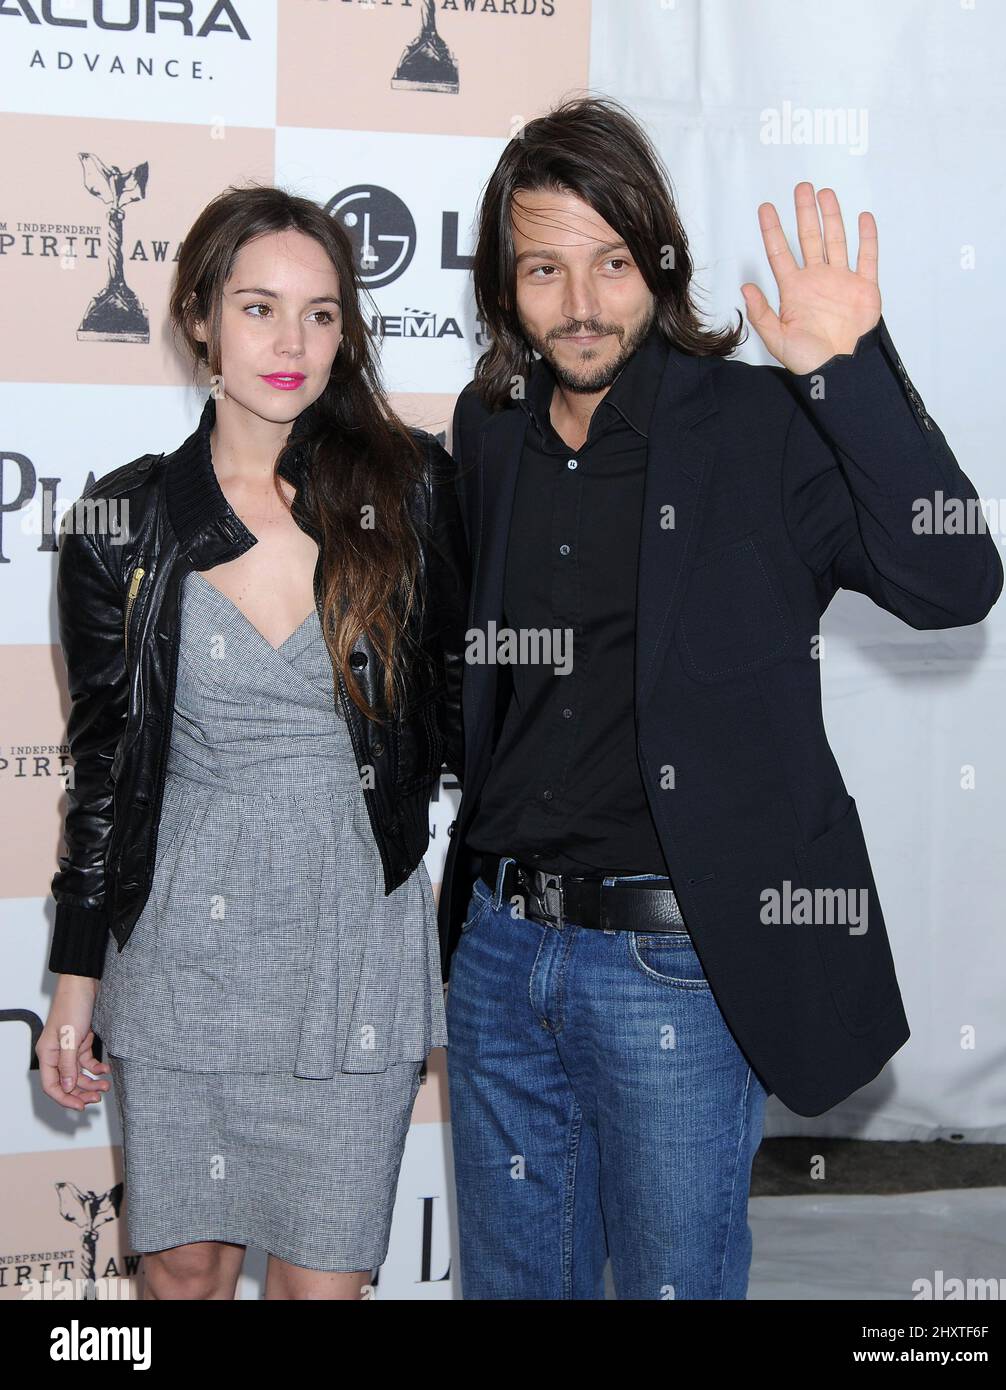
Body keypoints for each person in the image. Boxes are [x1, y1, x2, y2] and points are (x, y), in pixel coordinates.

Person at [439, 95, 1003, 1299]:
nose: (581, 303)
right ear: (503, 284)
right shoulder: (487, 431)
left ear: (661, 259)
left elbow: (954, 577)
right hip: (499, 957)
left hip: (675, 971)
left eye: (611, 261)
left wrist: (852, 371)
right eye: (544, 268)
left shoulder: (756, 423)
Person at [38, 184, 468, 1301]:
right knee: (183, 1271)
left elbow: (468, 710)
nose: (292, 343)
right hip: (185, 948)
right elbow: (104, 775)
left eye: (322, 314)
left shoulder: (411, 492)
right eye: (260, 308)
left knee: (323, 1284)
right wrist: (75, 984)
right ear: (198, 317)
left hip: (351, 946)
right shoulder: (123, 525)